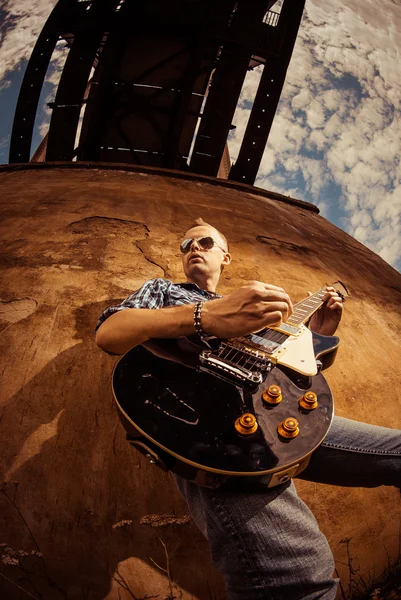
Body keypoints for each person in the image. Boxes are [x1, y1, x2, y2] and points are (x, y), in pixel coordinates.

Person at [95, 218, 401, 600]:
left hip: (285, 418)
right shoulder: (163, 290)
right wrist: (205, 315)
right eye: (185, 245)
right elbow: (110, 332)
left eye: (204, 242)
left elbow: (290, 374)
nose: (192, 248)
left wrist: (318, 333)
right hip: (214, 428)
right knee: (299, 576)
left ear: (226, 257)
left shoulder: (255, 313)